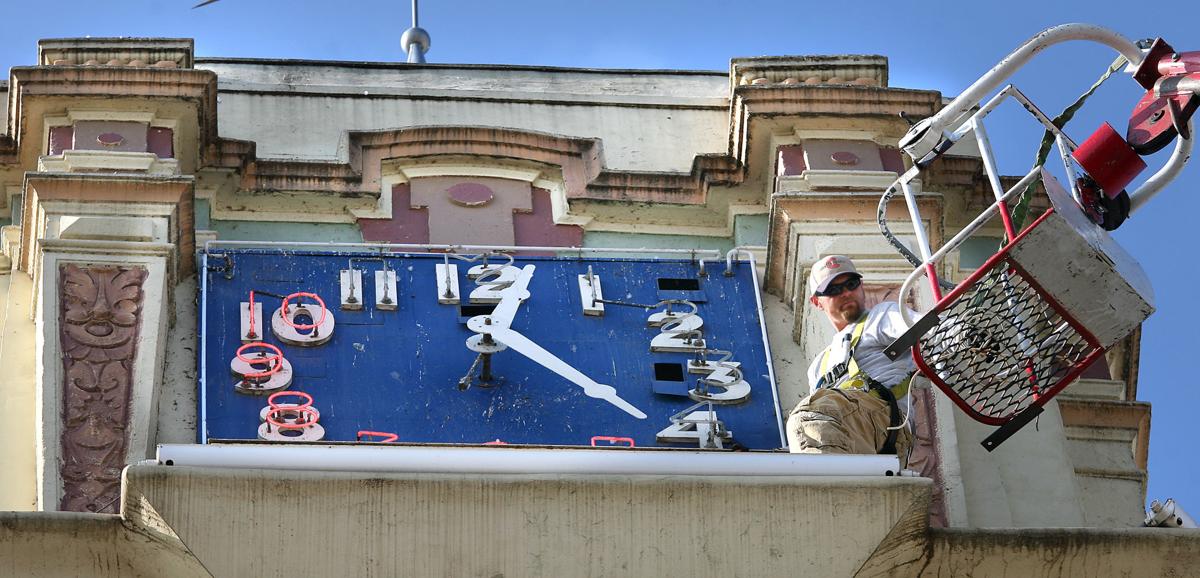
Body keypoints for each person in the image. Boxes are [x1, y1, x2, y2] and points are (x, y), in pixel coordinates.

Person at [786, 255, 915, 464]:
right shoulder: (818, 366)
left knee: (806, 419)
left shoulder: (880, 317)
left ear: (861, 286)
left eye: (851, 284)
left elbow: (929, 329)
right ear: (816, 301)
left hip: (885, 422)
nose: (846, 293)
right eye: (834, 290)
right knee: (810, 426)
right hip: (854, 431)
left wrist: (964, 333)